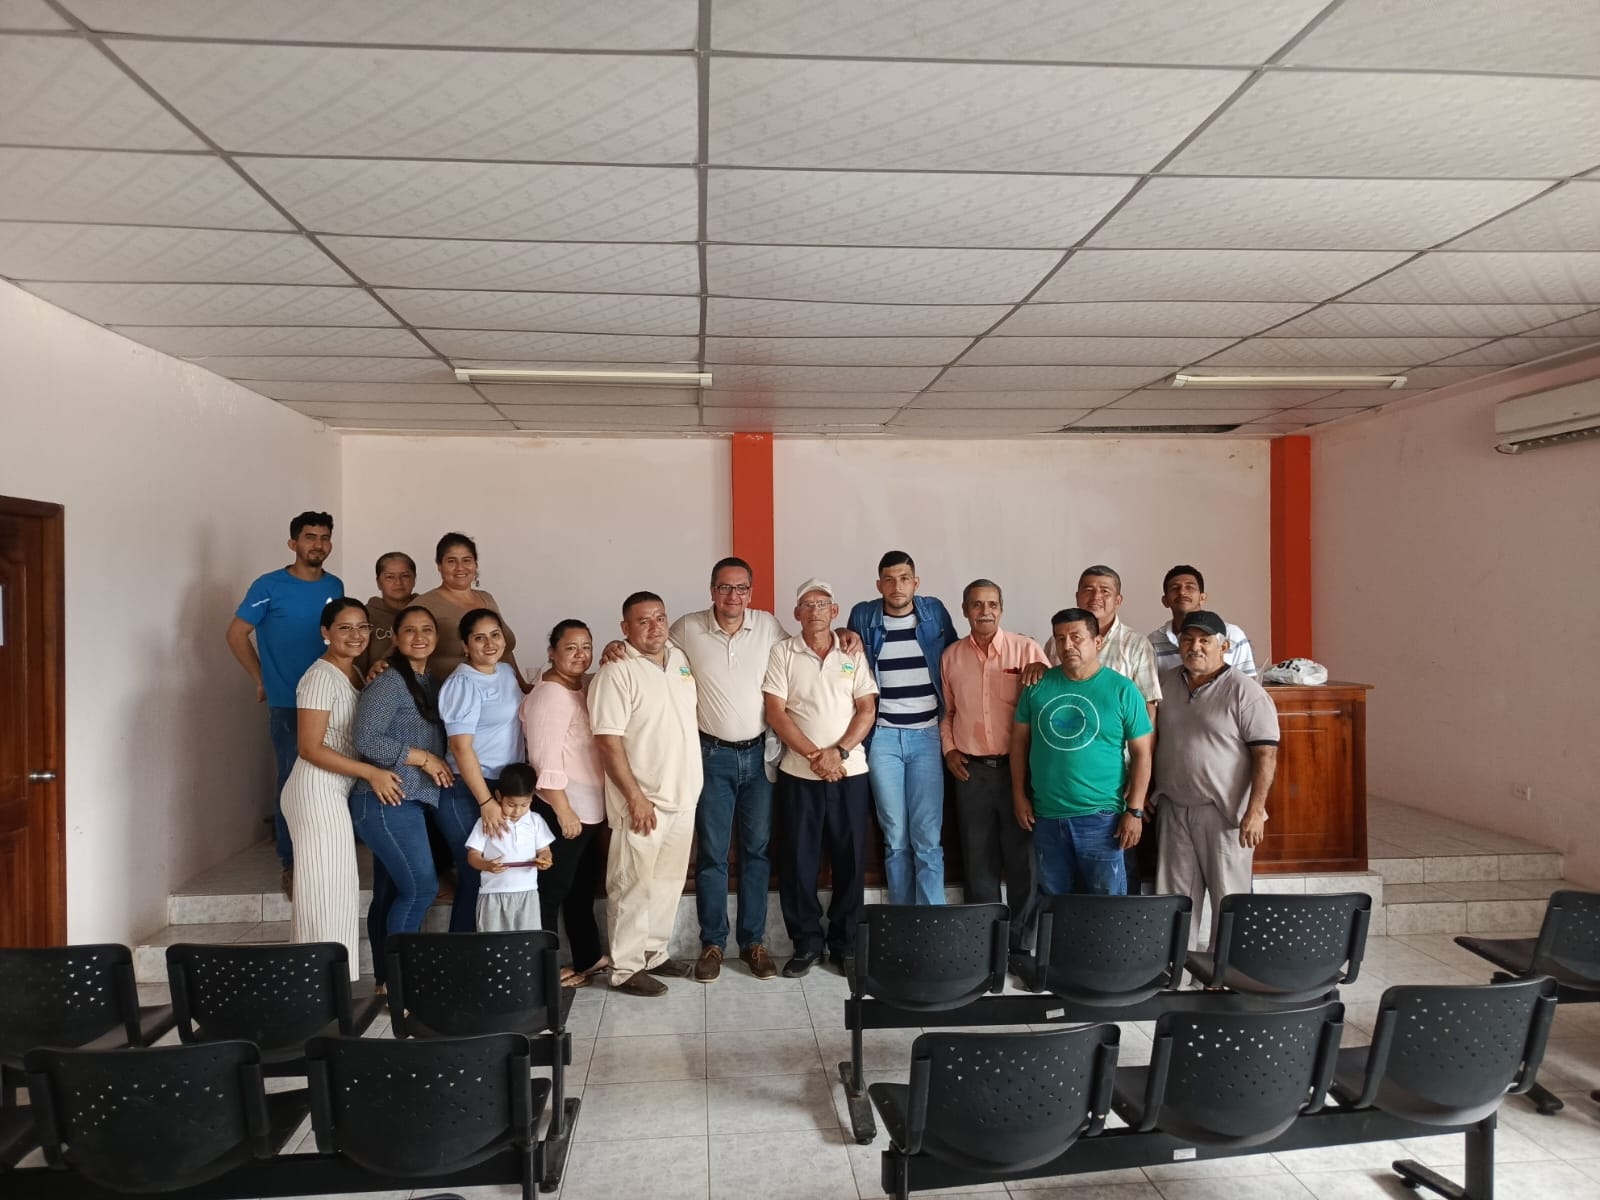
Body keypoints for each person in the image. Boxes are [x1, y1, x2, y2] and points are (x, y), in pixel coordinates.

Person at [671, 557, 789, 984]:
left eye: (741, 588)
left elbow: (800, 655)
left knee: (757, 852)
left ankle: (754, 943)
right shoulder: (687, 628)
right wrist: (617, 647)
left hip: (759, 758)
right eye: (724, 587)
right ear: (712, 590)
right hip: (712, 756)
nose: (732, 596)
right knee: (713, 854)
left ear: (750, 593)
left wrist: (844, 637)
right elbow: (650, 651)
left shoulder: (769, 626)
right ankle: (713, 944)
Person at [280, 598, 403, 980]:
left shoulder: (353, 672)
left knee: (336, 890)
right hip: (316, 789)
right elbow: (309, 747)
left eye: (362, 627)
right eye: (345, 628)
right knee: (323, 892)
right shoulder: (320, 676)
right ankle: (318, 983)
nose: (356, 635)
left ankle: (324, 983)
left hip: (333, 789)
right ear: (325, 633)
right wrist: (371, 772)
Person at [225, 510, 345, 896]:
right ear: (293, 543)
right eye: (310, 537)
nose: (318, 544)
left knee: (330, 778)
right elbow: (236, 633)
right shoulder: (269, 585)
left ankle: (325, 853)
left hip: (331, 698)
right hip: (288, 701)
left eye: (324, 537)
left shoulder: (335, 585)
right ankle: (292, 862)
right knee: (293, 780)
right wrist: (260, 677)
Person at [589, 591, 702, 998]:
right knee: (632, 885)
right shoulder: (616, 672)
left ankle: (653, 953)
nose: (654, 627)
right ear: (625, 628)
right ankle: (625, 967)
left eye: (660, 618)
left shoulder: (680, 660)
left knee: (668, 882)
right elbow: (607, 741)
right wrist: (635, 797)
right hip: (642, 801)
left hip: (682, 794)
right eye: (643, 621)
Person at [763, 579, 878, 977]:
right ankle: (807, 943)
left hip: (851, 772)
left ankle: (845, 944)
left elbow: (866, 709)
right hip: (800, 774)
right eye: (807, 604)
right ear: (797, 613)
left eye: (823, 604)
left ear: (835, 611)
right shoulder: (783, 652)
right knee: (798, 861)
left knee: (851, 860)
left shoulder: (851, 652)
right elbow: (776, 712)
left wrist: (839, 753)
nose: (815, 610)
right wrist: (816, 756)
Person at [1153, 610, 1279, 948]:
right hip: (1173, 809)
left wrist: (1256, 811)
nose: (1195, 647)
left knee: (1229, 899)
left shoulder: (1246, 692)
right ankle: (1177, 968)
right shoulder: (1166, 684)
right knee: (1174, 901)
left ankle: (1224, 970)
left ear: (1224, 646)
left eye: (1204, 640)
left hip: (1224, 814)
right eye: (1188, 639)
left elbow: (1266, 755)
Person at [348, 604, 454, 992]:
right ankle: (399, 982)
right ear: (395, 638)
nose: (419, 637)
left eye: (427, 629)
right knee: (421, 888)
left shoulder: (430, 681)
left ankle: (385, 981)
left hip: (407, 801)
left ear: (437, 637)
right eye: (409, 630)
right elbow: (366, 739)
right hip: (386, 800)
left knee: (390, 892)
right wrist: (423, 758)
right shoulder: (390, 681)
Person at [1011, 607, 1153, 897]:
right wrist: (1018, 795)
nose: (1067, 645)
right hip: (1047, 816)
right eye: (1060, 638)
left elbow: (1142, 753)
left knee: (1107, 907)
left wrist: (1135, 811)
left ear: (1097, 642)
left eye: (1076, 637)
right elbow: (1018, 743)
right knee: (1055, 905)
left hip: (1102, 818)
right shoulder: (1037, 686)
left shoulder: (1123, 690)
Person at [939, 579, 1047, 954]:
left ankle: (1020, 946)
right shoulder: (951, 657)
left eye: (992, 604)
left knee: (1023, 861)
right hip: (971, 773)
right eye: (976, 604)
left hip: (1020, 772)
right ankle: (984, 947)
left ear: (1001, 609)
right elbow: (947, 713)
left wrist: (1043, 670)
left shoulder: (1027, 650)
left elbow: (1050, 705)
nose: (985, 611)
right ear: (965, 610)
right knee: (977, 860)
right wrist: (949, 750)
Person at [847, 550, 958, 906]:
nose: (897, 586)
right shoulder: (863, 615)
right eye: (889, 580)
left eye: (905, 578)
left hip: (927, 735)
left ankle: (931, 921)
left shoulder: (934, 612)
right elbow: (847, 656)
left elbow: (955, 659)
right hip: (882, 738)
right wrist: (841, 632)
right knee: (895, 836)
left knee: (927, 836)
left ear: (916, 582)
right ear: (879, 584)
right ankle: (902, 921)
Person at [521, 620, 611, 987]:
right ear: (552, 652)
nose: (580, 655)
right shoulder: (550, 696)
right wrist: (563, 810)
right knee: (551, 891)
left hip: (588, 808)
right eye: (571, 647)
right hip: (563, 808)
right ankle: (542, 971)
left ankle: (588, 957)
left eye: (586, 647)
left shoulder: (582, 686)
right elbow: (544, 761)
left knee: (580, 889)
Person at [438, 608, 526, 932]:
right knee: (476, 872)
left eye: (495, 635)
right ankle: (460, 954)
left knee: (496, 874)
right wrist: (486, 802)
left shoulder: (505, 671)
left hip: (502, 786)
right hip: (468, 788)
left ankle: (489, 952)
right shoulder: (462, 683)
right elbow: (461, 748)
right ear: (465, 645)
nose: (489, 643)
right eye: (479, 638)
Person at [1037, 565, 1160, 720]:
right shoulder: (1057, 642)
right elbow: (1046, 688)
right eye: (1088, 590)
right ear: (1077, 597)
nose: (1096, 596)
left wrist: (1146, 737)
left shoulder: (1136, 644)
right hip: (1064, 730)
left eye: (1105, 591)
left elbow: (1149, 704)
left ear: (1118, 601)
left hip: (1116, 735)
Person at [418, 532, 524, 684]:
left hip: (502, 691)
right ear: (439, 565)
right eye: (451, 561)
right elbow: (399, 650)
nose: (460, 567)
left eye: (466, 560)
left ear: (475, 564)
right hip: (454, 694)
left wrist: (521, 685)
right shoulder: (424, 605)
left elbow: (506, 653)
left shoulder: (487, 598)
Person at [465, 764, 558, 932]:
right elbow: (473, 855)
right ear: (499, 796)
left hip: (528, 893)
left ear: (532, 798)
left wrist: (545, 859)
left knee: (527, 941)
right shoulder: (487, 821)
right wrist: (486, 865)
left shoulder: (536, 821)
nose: (517, 811)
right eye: (511, 804)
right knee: (493, 942)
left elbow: (544, 850)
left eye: (524, 805)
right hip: (493, 893)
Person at [1148, 564, 1258, 676]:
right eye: (1174, 588)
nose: (1182, 592)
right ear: (1165, 601)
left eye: (1190, 587)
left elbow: (1247, 683)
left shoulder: (1232, 635)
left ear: (1202, 597)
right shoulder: (1152, 642)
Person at [357, 551, 419, 677]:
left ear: (414, 579)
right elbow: (356, 667)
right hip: (378, 684)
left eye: (405, 576)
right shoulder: (365, 616)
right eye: (390, 577)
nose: (398, 582)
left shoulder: (426, 611)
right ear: (379, 582)